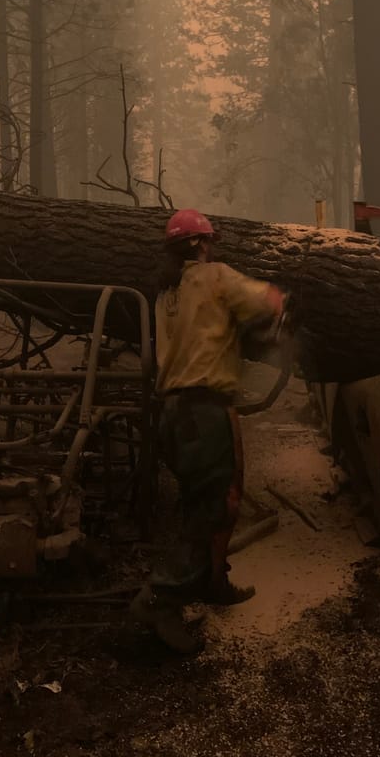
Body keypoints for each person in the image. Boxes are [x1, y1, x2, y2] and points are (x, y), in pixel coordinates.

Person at [130, 208, 288, 653]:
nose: (213, 248)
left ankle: (214, 581)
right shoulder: (214, 276)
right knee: (210, 510)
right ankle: (160, 598)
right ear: (201, 244)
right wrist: (285, 298)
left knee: (217, 497)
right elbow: (266, 301)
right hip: (203, 410)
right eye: (210, 242)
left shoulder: (165, 292)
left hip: (177, 413)